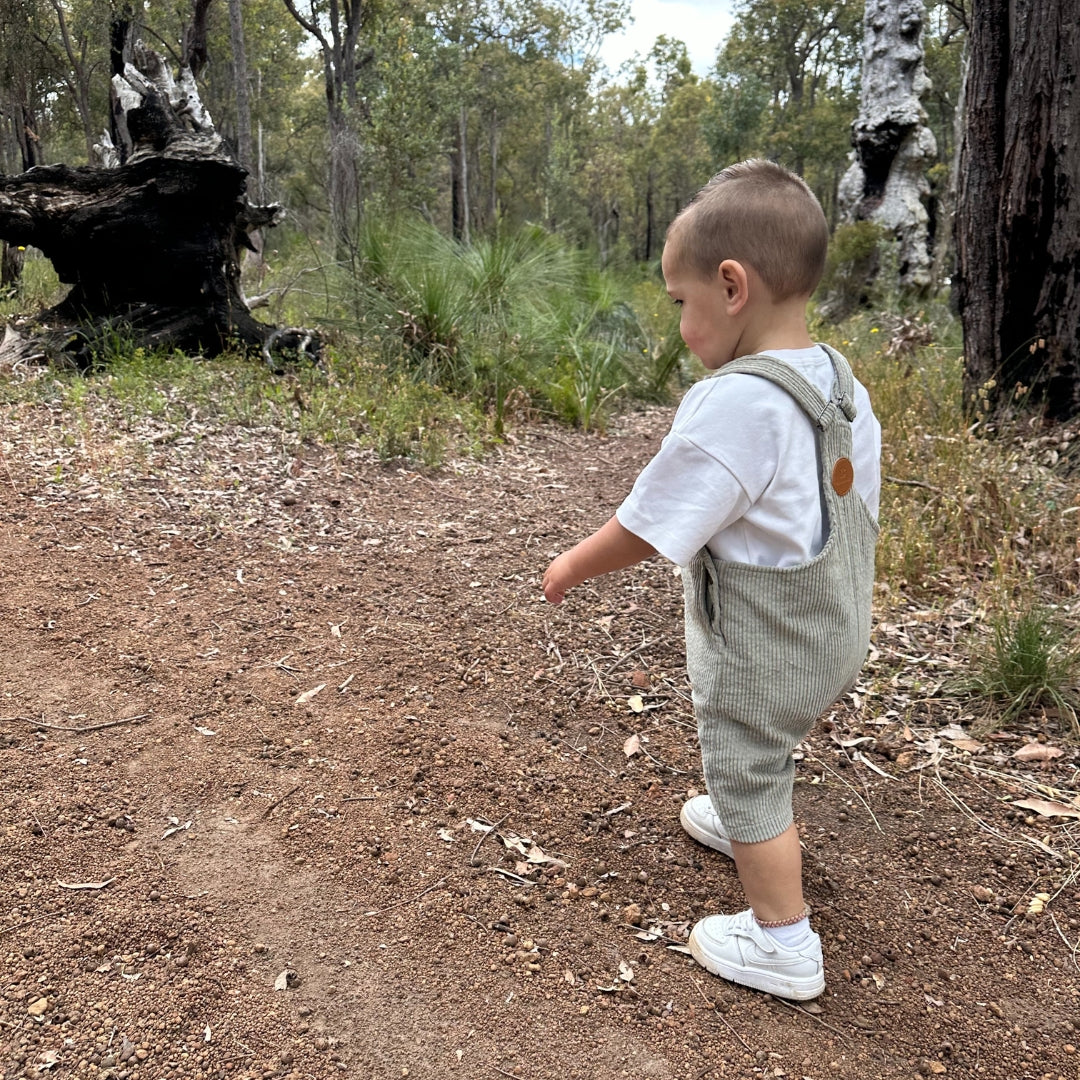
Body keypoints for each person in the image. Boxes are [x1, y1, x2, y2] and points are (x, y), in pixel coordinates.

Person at [542, 159, 880, 1001]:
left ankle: (784, 943)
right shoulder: (837, 380)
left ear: (732, 287)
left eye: (680, 304)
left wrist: (572, 564)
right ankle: (748, 823)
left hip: (764, 646)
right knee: (770, 743)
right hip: (833, 626)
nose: (680, 325)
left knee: (746, 761)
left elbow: (650, 523)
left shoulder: (737, 402)